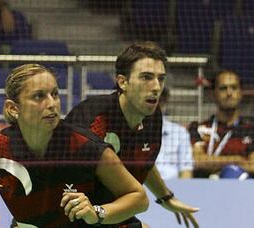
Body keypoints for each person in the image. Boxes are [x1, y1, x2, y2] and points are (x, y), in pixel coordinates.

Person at [0, 64, 149, 227]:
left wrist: (97, 212)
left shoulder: (85, 147)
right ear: (13, 108)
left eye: (55, 94)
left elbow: (138, 197)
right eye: (39, 96)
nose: (52, 103)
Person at [65, 41, 199, 227]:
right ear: (123, 82)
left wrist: (165, 197)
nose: (156, 87)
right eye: (146, 77)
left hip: (103, 211)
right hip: (69, 210)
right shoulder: (92, 118)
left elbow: (143, 161)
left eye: (160, 78)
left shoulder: (152, 117)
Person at [188, 70, 254, 179]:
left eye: (234, 88)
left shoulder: (253, 132)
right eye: (223, 88)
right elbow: (196, 161)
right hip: (201, 191)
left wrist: (212, 162)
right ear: (213, 94)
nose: (229, 93)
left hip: (240, 192)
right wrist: (237, 160)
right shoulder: (197, 128)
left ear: (240, 93)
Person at [156, 87, 194, 179]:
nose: (156, 105)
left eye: (160, 100)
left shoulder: (180, 133)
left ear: (165, 102)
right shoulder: (131, 132)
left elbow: (186, 171)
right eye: (151, 100)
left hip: (174, 189)